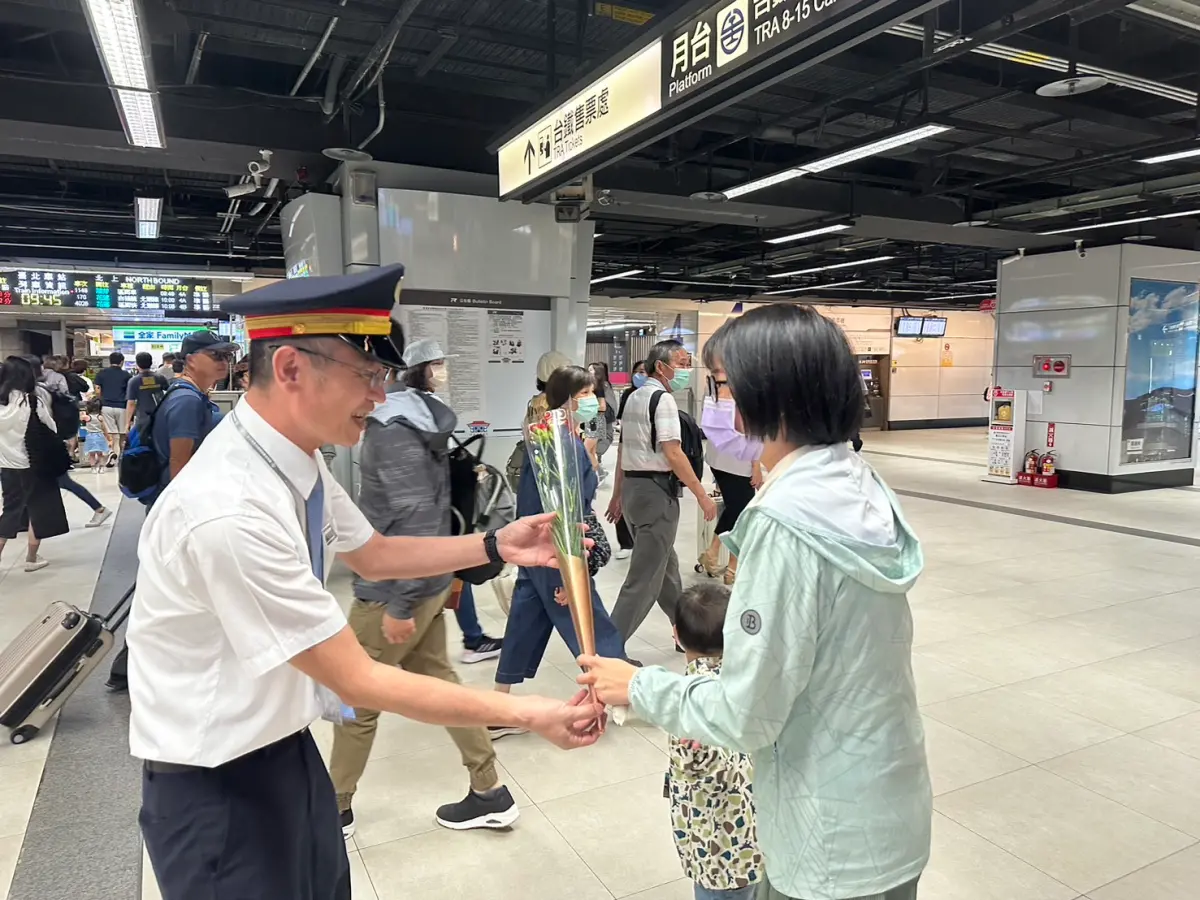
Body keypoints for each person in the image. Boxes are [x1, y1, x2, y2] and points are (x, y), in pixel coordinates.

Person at [128, 266, 604, 900]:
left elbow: (374, 553)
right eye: (369, 376)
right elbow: (358, 679)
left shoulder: (291, 458)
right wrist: (529, 712)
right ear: (293, 368)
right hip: (219, 786)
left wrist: (494, 543)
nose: (380, 397)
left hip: (284, 751)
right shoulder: (228, 509)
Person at [580, 304, 931, 900]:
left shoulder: (787, 520)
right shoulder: (860, 483)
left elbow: (748, 712)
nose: (726, 405)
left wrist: (638, 688)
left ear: (772, 395)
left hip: (827, 838)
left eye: (726, 386)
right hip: (890, 809)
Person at [329, 338, 517, 837]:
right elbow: (431, 509)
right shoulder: (425, 420)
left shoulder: (392, 429)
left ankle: (334, 808)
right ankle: (489, 791)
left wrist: (402, 602)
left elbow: (415, 517)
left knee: (356, 697)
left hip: (396, 585)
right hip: (424, 577)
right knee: (438, 684)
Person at [492, 365, 627, 736]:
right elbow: (563, 508)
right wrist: (570, 568)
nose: (593, 402)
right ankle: (613, 694)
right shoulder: (558, 444)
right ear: (565, 400)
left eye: (593, 393)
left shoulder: (552, 436)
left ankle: (499, 705)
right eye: (584, 395)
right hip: (557, 548)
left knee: (526, 618)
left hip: (540, 544)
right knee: (589, 623)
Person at [106, 330, 236, 693]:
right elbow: (181, 465)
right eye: (216, 355)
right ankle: (132, 665)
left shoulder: (190, 395)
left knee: (166, 588)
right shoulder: (186, 402)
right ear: (191, 358)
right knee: (165, 589)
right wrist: (193, 517)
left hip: (172, 506)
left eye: (227, 355)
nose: (224, 362)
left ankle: (135, 664)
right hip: (177, 508)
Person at [606, 340, 715, 641]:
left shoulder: (634, 397)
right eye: (680, 363)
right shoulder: (663, 400)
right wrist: (701, 494)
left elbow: (623, 450)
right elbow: (673, 452)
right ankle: (609, 648)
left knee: (666, 568)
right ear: (661, 366)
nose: (684, 369)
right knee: (644, 579)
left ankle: (686, 633)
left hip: (634, 490)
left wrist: (618, 494)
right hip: (656, 493)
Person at [666, 583, 761, 900]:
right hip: (764, 837)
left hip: (718, 854)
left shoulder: (688, 703)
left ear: (676, 634)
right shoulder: (756, 682)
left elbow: (699, 766)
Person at [697, 346, 764, 586]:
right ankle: (731, 568)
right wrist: (756, 465)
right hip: (738, 460)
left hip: (718, 458)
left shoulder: (716, 384)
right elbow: (753, 428)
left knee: (736, 509)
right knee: (742, 514)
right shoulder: (748, 386)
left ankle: (714, 553)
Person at [25, 356, 111, 528]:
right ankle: (23, 520)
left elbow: (45, 419)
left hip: (43, 446)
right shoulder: (47, 387)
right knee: (46, 483)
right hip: (49, 443)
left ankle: (99, 508)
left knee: (58, 482)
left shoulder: (36, 392)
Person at [0, 356, 68, 572]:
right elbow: (52, 429)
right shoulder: (31, 402)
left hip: (7, 465)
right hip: (33, 463)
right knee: (39, 509)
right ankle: (31, 557)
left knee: (10, 510)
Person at [612, 360, 647, 560]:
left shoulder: (658, 397)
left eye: (644, 371)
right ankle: (625, 542)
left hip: (646, 453)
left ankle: (640, 540)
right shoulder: (628, 395)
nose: (640, 375)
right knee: (623, 498)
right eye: (637, 372)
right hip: (628, 449)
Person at [93, 351, 132, 460]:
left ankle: (113, 452)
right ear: (122, 362)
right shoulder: (127, 375)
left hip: (106, 406)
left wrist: (101, 399)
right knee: (122, 433)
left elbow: (97, 389)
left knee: (112, 433)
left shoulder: (101, 373)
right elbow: (130, 393)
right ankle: (122, 455)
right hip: (122, 407)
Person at [584, 361, 617, 480]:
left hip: (596, 420)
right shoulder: (591, 386)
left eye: (591, 369)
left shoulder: (599, 387)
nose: (589, 371)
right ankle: (598, 472)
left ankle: (598, 472)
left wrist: (589, 407)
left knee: (587, 449)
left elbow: (602, 406)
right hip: (593, 419)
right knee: (591, 451)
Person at [125, 352, 169, 435]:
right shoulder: (160, 378)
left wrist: (127, 423)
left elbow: (131, 403)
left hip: (143, 419)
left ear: (137, 364)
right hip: (160, 417)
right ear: (151, 363)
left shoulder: (134, 381)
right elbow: (168, 393)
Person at [82, 398, 110, 473]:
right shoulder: (100, 417)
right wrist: (108, 437)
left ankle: (93, 468)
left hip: (90, 437)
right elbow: (104, 428)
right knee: (100, 454)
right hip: (100, 436)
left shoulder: (87, 417)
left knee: (91, 454)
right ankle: (101, 468)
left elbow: (80, 417)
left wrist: (84, 412)